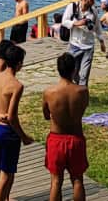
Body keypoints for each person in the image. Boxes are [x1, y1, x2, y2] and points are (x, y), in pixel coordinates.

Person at [0, 44, 34, 201]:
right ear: (19, 64)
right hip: (7, 132)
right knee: (6, 175)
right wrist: (23, 136)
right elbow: (12, 117)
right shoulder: (17, 86)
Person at [43, 52, 90, 201]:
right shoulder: (82, 91)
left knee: (56, 181)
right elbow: (83, 108)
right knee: (77, 179)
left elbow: (46, 115)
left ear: (58, 69)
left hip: (56, 139)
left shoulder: (49, 93)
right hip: (76, 138)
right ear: (74, 69)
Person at [63, 0, 99, 86]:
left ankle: (83, 92)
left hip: (88, 46)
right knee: (73, 72)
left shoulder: (93, 11)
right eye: (91, 0)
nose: (93, 2)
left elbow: (97, 27)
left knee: (84, 75)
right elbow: (64, 21)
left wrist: (101, 40)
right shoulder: (72, 7)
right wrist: (77, 23)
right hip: (74, 45)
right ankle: (74, 89)